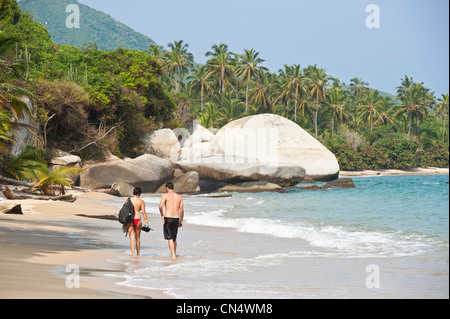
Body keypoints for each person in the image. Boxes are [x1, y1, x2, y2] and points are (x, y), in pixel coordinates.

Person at [159, 182, 184, 259]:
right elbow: (182, 210)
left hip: (168, 218)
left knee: (169, 238)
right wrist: (181, 220)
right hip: (176, 218)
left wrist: (162, 216)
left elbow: (160, 206)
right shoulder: (179, 197)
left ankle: (173, 255)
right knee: (174, 238)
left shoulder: (165, 196)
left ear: (167, 188)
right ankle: (174, 253)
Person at [126, 187, 149, 257]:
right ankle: (138, 254)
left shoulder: (128, 200)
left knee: (132, 238)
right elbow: (144, 212)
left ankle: (133, 254)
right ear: (140, 193)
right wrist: (146, 222)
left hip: (130, 219)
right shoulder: (141, 201)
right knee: (138, 238)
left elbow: (125, 210)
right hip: (137, 219)